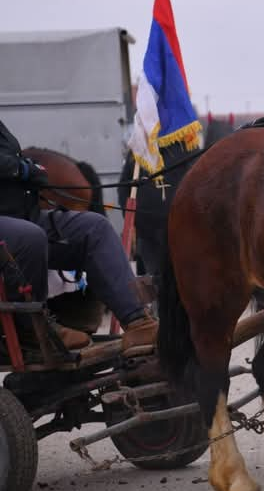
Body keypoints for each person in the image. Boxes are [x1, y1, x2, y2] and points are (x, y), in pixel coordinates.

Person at [0, 119, 157, 356]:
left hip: (21, 214)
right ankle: (33, 331)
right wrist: (21, 169)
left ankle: (137, 321)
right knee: (30, 238)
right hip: (11, 226)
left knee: (95, 228)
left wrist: (29, 167)